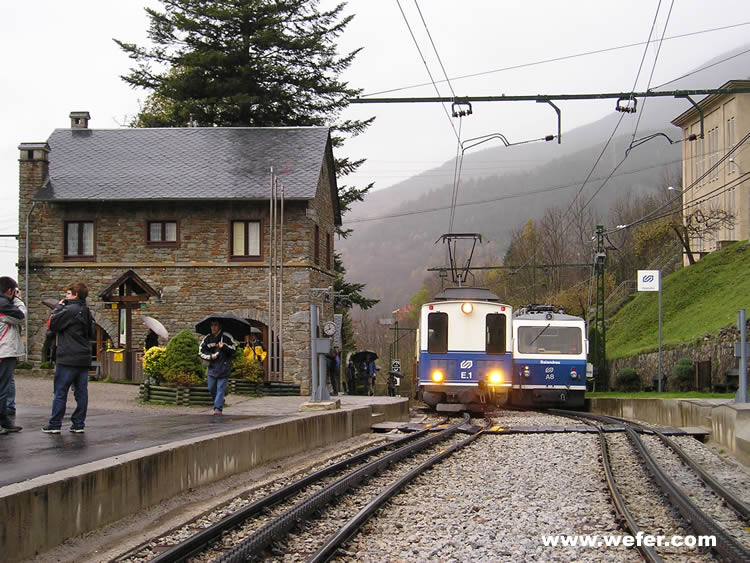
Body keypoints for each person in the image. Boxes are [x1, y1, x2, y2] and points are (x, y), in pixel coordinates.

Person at [42, 281, 95, 434]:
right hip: (84, 357)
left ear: (75, 294)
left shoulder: (69, 310)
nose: (65, 297)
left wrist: (58, 307)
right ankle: (78, 424)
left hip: (68, 357)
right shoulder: (87, 311)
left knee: (60, 391)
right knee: (81, 392)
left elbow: (52, 324)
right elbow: (91, 332)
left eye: (68, 294)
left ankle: (55, 424)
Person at [0, 276, 25, 434]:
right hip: (4, 351)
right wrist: (17, 300)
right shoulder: (5, 306)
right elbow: (22, 316)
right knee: (2, 389)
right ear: (10, 291)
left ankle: (5, 420)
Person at [199, 320, 236, 415]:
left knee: (220, 388)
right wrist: (211, 356)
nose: (213, 328)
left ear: (220, 326)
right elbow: (201, 352)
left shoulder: (226, 337)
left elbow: (233, 350)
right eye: (212, 325)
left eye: (215, 325)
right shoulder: (207, 338)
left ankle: (218, 409)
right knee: (211, 387)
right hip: (212, 367)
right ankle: (220, 400)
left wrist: (224, 347)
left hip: (224, 367)